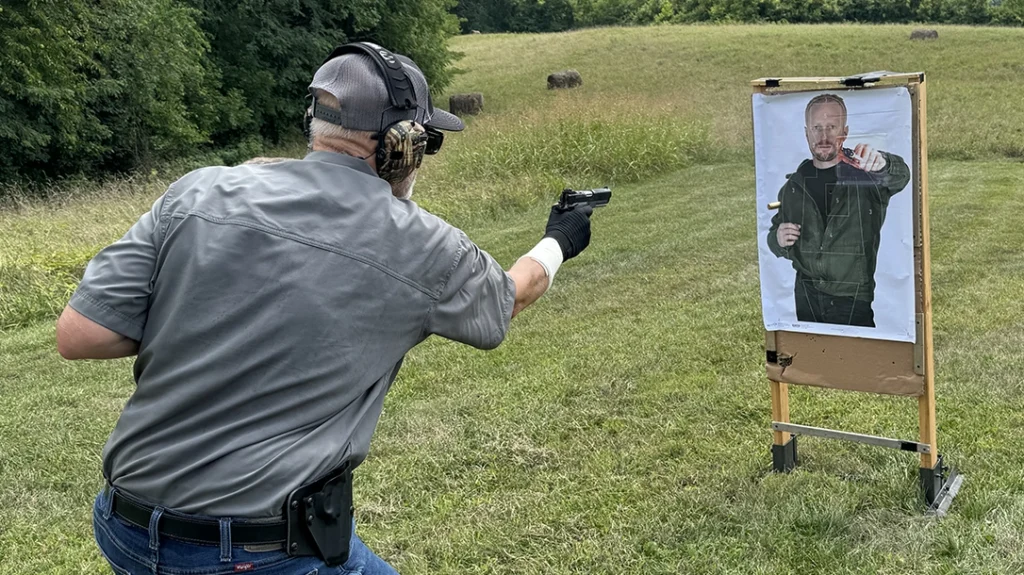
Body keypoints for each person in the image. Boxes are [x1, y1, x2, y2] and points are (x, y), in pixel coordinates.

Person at [55, 42, 597, 575]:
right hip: (255, 551)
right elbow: (509, 297)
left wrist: (203, 312)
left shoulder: (196, 192)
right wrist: (559, 240)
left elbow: (81, 334)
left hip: (124, 525)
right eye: (427, 141)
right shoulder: (420, 244)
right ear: (402, 144)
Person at [767, 93, 910, 328]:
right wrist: (778, 239)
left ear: (845, 131)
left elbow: (900, 176)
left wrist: (884, 163)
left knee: (855, 363)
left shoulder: (865, 175)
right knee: (810, 362)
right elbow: (774, 235)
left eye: (832, 127)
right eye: (817, 127)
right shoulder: (793, 186)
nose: (824, 136)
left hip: (851, 300)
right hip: (806, 297)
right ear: (807, 133)